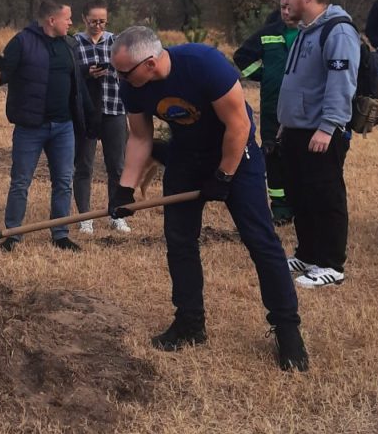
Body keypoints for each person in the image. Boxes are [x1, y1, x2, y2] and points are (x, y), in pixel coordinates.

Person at [110, 26, 308, 372]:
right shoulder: (132, 87)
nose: (119, 77)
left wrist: (225, 175)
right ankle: (190, 323)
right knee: (180, 240)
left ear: (151, 63)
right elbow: (141, 138)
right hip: (186, 157)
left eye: (124, 71)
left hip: (236, 154)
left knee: (260, 240)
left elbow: (239, 126)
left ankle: (288, 329)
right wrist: (125, 188)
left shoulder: (204, 65)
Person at [278, 0, 360, 289]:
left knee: (326, 196)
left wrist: (327, 127)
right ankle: (308, 253)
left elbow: (341, 83)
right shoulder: (305, 31)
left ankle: (331, 264)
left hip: (321, 132)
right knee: (301, 194)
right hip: (297, 130)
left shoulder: (338, 32)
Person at [0, 0, 92, 252]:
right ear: (52, 20)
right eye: (67, 18)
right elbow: (1, 78)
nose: (71, 22)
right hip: (30, 127)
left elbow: (77, 82)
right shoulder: (22, 42)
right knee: (21, 181)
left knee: (64, 180)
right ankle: (12, 234)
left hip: (63, 126)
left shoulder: (69, 44)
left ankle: (60, 234)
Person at [233, 0, 300, 225]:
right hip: (273, 106)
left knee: (301, 156)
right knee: (273, 155)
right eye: (282, 7)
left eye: (289, 7)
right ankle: (280, 209)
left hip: (303, 108)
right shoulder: (269, 32)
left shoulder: (312, 33)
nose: (285, 11)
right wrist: (265, 76)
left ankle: (303, 204)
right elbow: (241, 56)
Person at [72, 3, 129, 234]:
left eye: (102, 21)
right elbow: (69, 71)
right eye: (93, 21)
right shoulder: (73, 43)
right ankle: (85, 217)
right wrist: (86, 72)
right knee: (83, 165)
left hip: (115, 109)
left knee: (117, 166)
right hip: (87, 113)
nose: (97, 25)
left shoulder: (117, 41)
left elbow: (130, 70)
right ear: (84, 18)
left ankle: (117, 214)